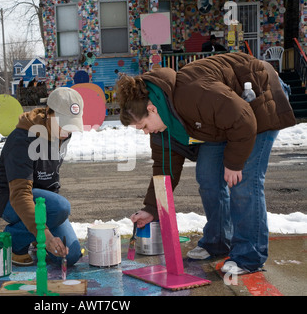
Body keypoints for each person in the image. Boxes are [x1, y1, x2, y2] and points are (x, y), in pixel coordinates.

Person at [115, 52, 296, 275]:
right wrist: (151, 209)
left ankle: (250, 256)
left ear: (152, 109)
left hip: (259, 100)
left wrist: (234, 162)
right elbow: (164, 170)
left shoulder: (192, 93)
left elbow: (243, 119)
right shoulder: (162, 126)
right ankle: (218, 242)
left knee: (243, 180)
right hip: (224, 121)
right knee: (208, 176)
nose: (145, 132)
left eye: (143, 126)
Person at [0, 87, 84, 267]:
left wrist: (47, 231)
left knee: (69, 256)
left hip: (43, 201)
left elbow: (51, 179)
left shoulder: (62, 134)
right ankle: (13, 241)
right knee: (60, 207)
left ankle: (31, 237)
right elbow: (20, 194)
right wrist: (45, 234)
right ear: (48, 113)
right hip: (10, 198)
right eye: (63, 123)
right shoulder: (23, 139)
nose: (67, 131)